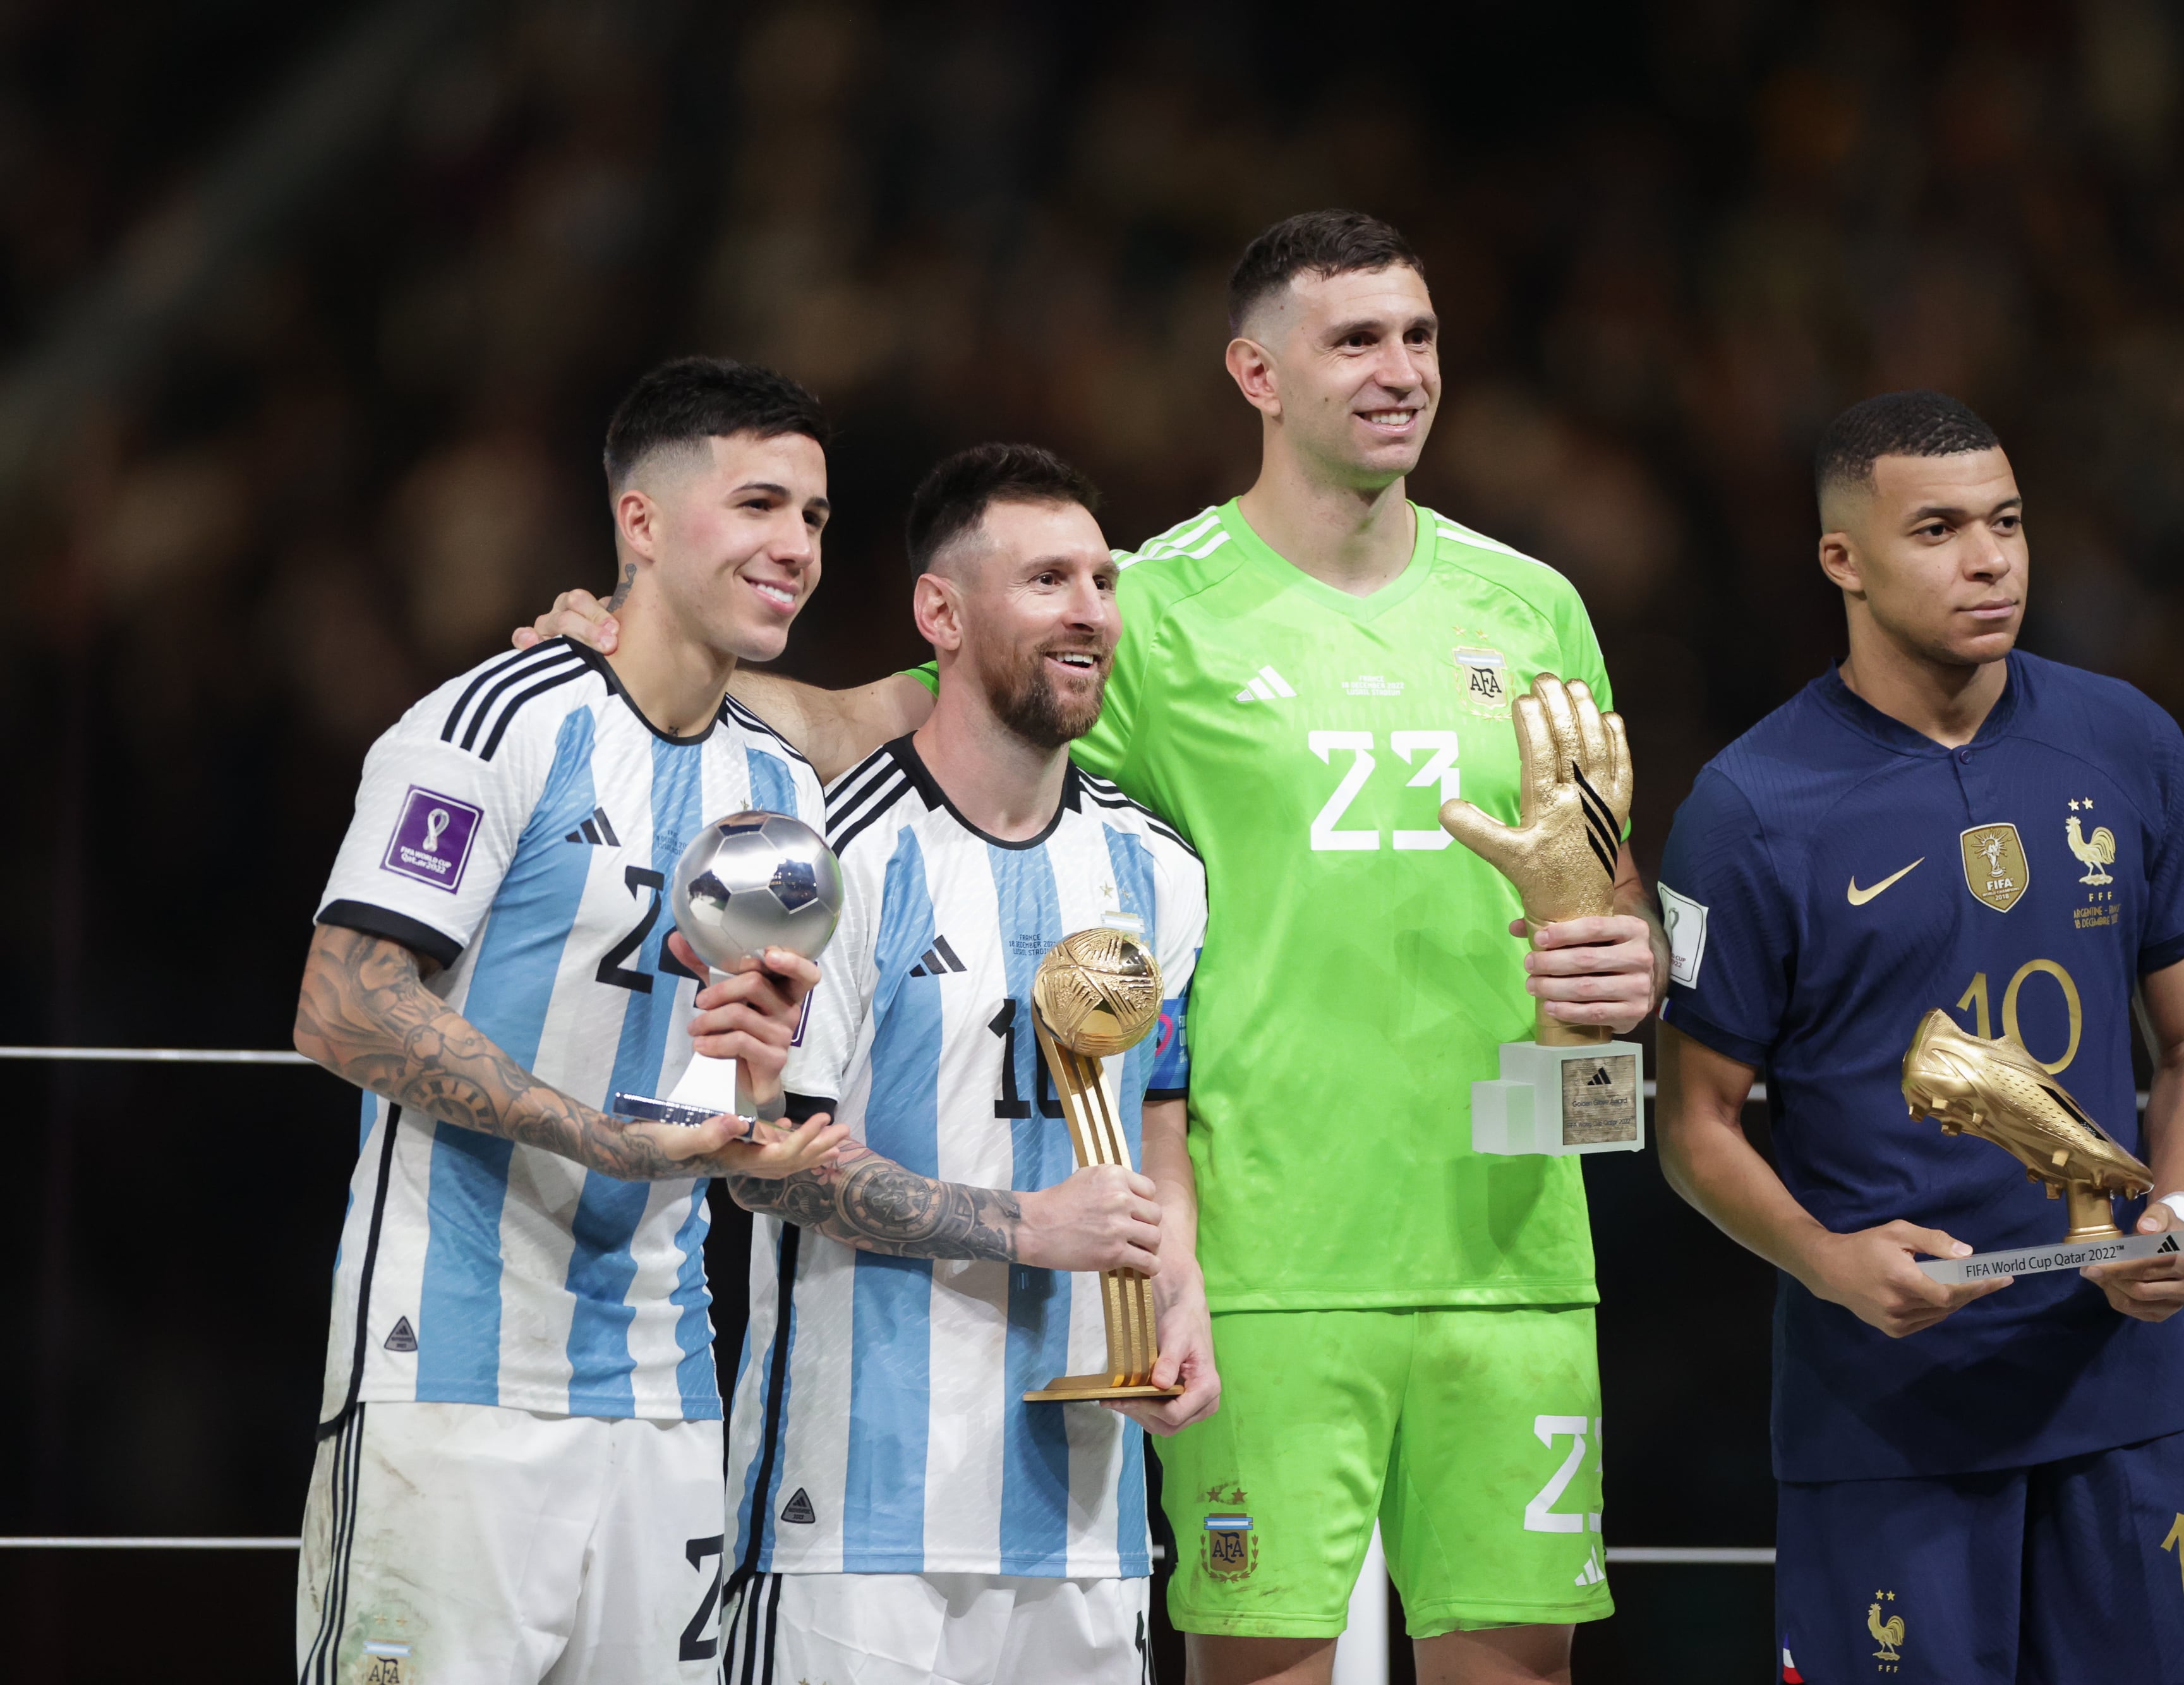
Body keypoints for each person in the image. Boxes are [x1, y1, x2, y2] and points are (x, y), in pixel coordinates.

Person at [521, 210, 1660, 1684]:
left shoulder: (1531, 605)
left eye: (1420, 337)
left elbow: (1605, 883)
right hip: (1261, 1250)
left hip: (1511, 1240)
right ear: (1253, 371)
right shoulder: (1154, 604)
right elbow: (899, 716)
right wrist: (639, 652)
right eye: (1357, 340)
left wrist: (1626, 959)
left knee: (1520, 1667)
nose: (1400, 371)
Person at [1653, 390, 2184, 1683]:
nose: (1987, 558)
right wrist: (1825, 1262)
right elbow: (1691, 1125)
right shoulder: (1748, 807)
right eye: (1935, 528)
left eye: (2005, 521)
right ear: (1841, 560)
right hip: (1885, 1415)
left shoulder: (2127, 742)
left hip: (2125, 1390)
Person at [291, 357, 854, 1685]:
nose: (795, 546)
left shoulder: (780, 791)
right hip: (449, 1378)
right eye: (760, 502)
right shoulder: (500, 719)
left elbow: (748, 1089)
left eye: (817, 518)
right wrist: (598, 1136)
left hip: (664, 1388)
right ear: (641, 525)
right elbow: (343, 1001)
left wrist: (762, 1120)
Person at [712, 442, 1213, 1683]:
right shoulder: (823, 857)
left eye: (1101, 578)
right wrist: (1022, 1225)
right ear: (940, 611)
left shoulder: (1159, 868)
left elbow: (1156, 1106)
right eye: (1046, 578)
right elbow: (762, 1164)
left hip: (1084, 1512)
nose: (1090, 607)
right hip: (853, 1516)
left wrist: (1176, 1289)